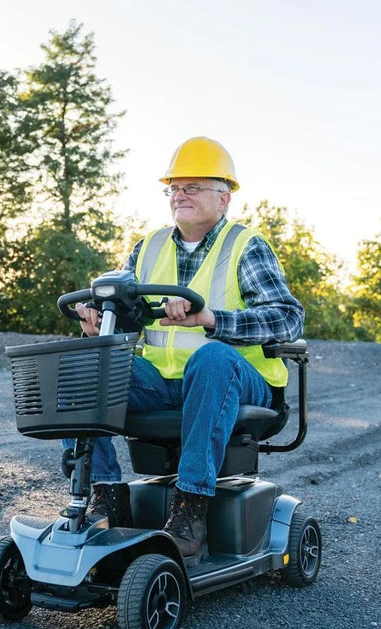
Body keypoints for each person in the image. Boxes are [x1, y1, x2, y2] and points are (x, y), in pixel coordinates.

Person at [73, 136, 305, 562]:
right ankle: (105, 495)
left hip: (241, 384)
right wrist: (97, 322)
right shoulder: (148, 247)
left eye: (192, 187)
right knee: (90, 363)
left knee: (211, 356)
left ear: (224, 197)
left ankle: (190, 510)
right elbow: (128, 319)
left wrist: (211, 319)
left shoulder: (246, 245)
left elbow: (287, 318)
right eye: (174, 188)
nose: (179, 195)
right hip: (163, 383)